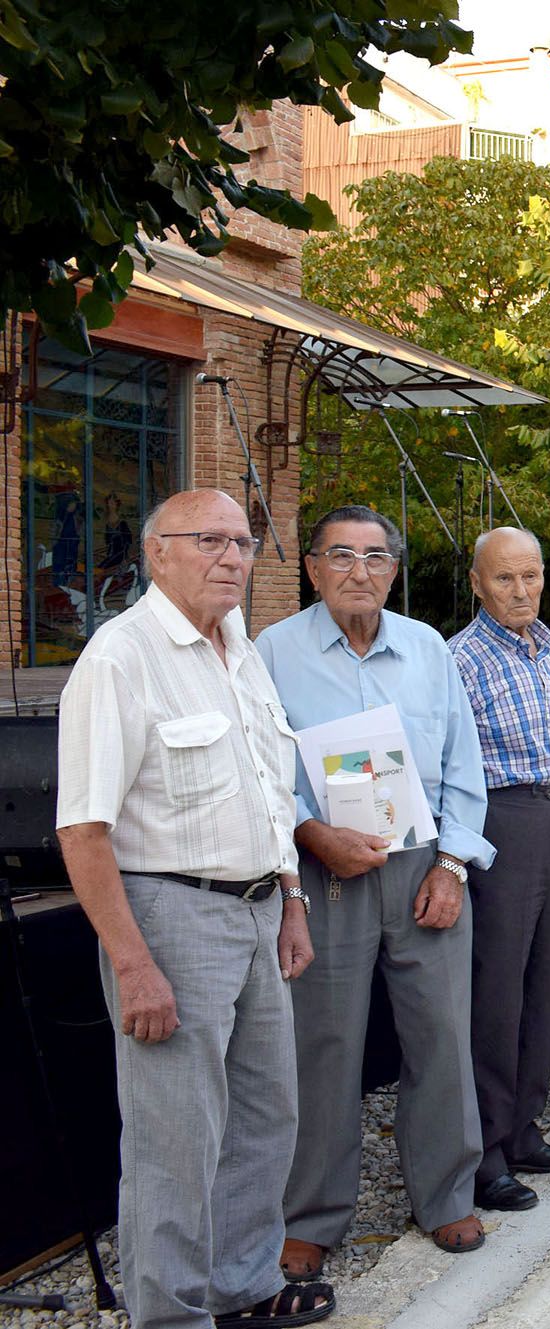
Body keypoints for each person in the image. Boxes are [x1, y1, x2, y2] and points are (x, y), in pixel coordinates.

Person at [55, 489, 332, 1329]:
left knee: (263, 1115)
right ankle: (169, 1314)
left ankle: (240, 1287)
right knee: (175, 1138)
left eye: (243, 542)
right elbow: (83, 827)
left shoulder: (238, 646)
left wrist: (289, 898)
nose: (231, 558)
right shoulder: (120, 657)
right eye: (208, 540)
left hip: (256, 911)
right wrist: (134, 962)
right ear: (157, 553)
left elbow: (267, 786)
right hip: (168, 914)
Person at [258, 505, 494, 1272]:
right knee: (324, 1045)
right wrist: (308, 832)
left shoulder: (427, 647)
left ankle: (448, 1194)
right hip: (325, 870)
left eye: (376, 556)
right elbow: (261, 768)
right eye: (341, 554)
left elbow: (464, 765)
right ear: (314, 567)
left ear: (395, 568)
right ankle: (311, 1213)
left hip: (423, 864)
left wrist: (454, 865)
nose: (360, 570)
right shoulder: (272, 651)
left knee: (441, 1034)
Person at [447, 528, 550, 1214]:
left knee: (543, 978)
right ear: (476, 583)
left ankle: (525, 1125)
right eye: (505, 578)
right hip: (501, 820)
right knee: (495, 989)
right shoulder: (460, 659)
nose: (522, 589)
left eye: (530, 575)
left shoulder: (547, 643)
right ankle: (487, 1151)